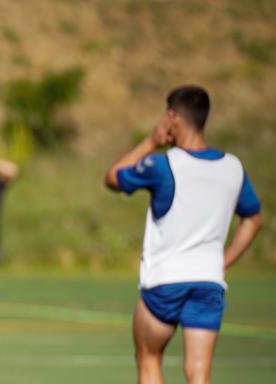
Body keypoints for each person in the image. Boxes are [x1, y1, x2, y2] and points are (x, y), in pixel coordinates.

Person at [104, 85, 263, 384]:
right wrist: (223, 262)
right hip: (208, 281)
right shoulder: (232, 167)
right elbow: (253, 220)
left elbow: (113, 178)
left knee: (149, 360)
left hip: (165, 281)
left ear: (172, 117)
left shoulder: (164, 165)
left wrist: (151, 142)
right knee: (199, 374)